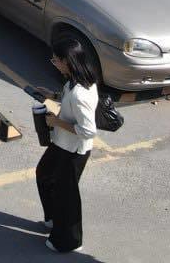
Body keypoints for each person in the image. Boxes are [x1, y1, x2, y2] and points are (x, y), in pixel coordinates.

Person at [34, 37, 100, 254]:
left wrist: (56, 122)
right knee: (44, 174)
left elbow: (88, 131)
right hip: (62, 143)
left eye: (56, 60)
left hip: (74, 150)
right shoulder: (73, 81)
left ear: (67, 61)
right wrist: (52, 97)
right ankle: (54, 218)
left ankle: (68, 240)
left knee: (67, 195)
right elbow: (68, 101)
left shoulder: (81, 93)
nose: (54, 63)